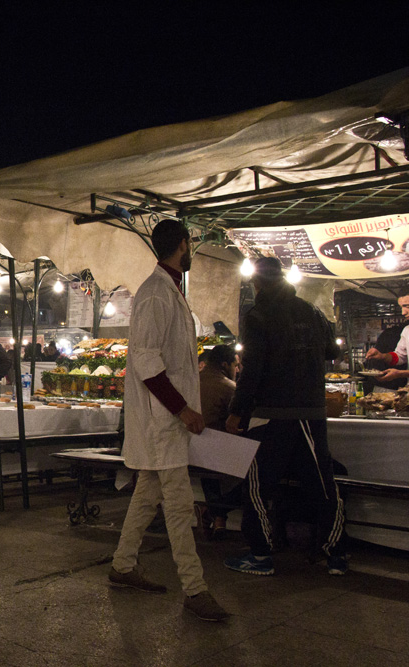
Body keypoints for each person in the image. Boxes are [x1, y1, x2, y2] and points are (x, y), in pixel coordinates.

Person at [109, 219, 227, 622]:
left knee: (146, 497)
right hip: (163, 421)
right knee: (178, 508)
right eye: (190, 243)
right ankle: (195, 589)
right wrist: (182, 409)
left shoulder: (168, 289)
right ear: (182, 245)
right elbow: (145, 361)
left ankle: (123, 565)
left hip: (167, 422)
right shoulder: (156, 293)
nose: (191, 248)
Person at [225, 256, 347, 576]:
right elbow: (333, 352)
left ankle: (261, 555)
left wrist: (237, 411)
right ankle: (336, 553)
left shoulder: (258, 315)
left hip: (271, 413)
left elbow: (252, 371)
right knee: (322, 484)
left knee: (258, 485)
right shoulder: (311, 311)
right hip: (311, 411)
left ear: (258, 282)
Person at [197, 345, 243, 539]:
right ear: (225, 365)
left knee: (208, 460)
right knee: (261, 472)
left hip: (191, 447)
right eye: (236, 365)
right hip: (212, 451)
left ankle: (215, 515)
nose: (238, 370)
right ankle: (218, 513)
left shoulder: (191, 381)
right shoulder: (228, 387)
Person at [364, 290, 409, 389]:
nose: (403, 312)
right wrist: (382, 356)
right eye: (401, 307)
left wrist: (400, 373)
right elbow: (400, 356)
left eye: (407, 306)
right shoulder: (407, 331)